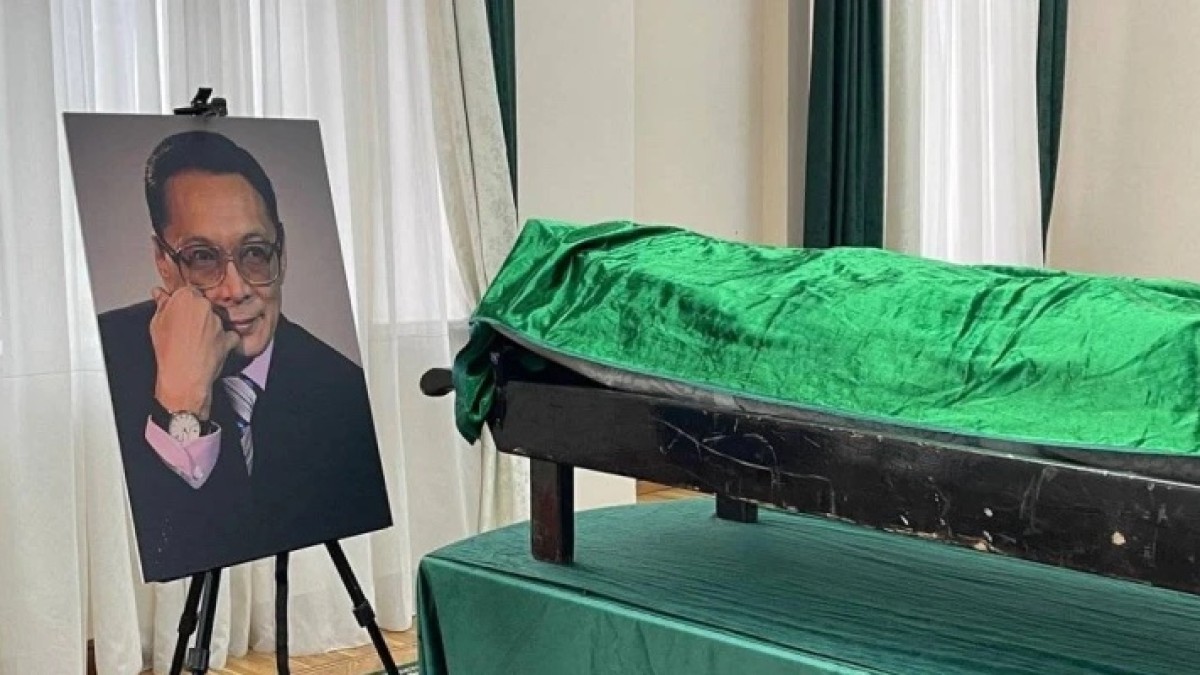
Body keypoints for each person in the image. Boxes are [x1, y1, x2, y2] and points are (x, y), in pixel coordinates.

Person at [98, 130, 391, 583]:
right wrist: (181, 399)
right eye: (202, 257)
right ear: (162, 260)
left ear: (282, 252)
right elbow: (165, 543)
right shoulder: (110, 357)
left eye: (255, 252)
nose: (236, 290)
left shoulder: (344, 390)